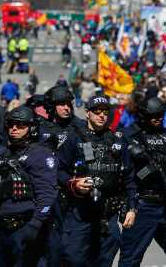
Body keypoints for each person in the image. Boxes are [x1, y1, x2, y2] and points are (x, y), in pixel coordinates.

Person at [57, 95, 138, 267]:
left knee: (103, 261)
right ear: (87, 113)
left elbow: (129, 177)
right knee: (73, 259)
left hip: (108, 214)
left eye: (105, 112)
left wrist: (132, 208)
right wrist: (74, 183)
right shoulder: (74, 138)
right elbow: (58, 170)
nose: (101, 115)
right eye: (96, 111)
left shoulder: (117, 140)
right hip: (80, 213)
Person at [119, 97, 166, 266]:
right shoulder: (128, 136)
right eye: (154, 115)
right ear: (143, 115)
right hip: (142, 205)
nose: (158, 118)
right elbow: (122, 170)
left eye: (161, 115)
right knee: (130, 259)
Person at [0, 106, 57, 266]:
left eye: (20, 125)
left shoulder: (39, 155)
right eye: (11, 125)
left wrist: (34, 225)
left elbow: (47, 195)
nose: (14, 129)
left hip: (22, 228)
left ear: (31, 128)